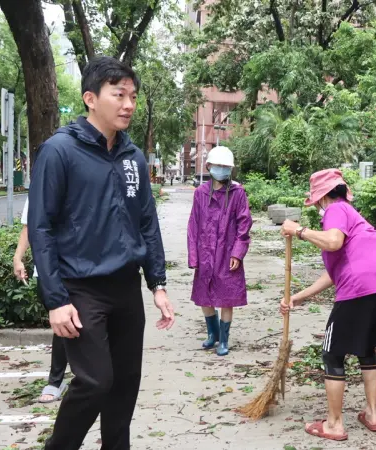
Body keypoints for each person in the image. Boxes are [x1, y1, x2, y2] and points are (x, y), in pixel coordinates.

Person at [28, 56, 176, 450]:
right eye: (119, 95)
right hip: (81, 288)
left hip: (126, 288)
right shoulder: (59, 151)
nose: (128, 104)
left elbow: (147, 222)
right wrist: (56, 300)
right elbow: (40, 227)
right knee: (95, 381)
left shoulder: (133, 158)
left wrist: (157, 283)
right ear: (91, 98)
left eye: (132, 96)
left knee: (125, 385)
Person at [279, 168, 376, 442]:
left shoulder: (336, 209)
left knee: (332, 354)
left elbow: (333, 243)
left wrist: (298, 230)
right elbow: (336, 274)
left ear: (322, 197)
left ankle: (334, 424)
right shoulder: (356, 218)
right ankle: (372, 414)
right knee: (366, 347)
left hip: (361, 287)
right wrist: (299, 297)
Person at [187, 146, 252, 356]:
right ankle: (212, 335)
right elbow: (193, 226)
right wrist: (194, 256)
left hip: (227, 252)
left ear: (231, 169)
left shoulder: (237, 193)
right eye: (218, 166)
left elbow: (244, 224)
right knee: (204, 296)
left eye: (226, 167)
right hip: (205, 252)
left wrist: (237, 253)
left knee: (226, 296)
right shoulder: (200, 193)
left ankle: (224, 339)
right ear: (209, 167)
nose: (222, 170)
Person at [13, 198, 68, 403]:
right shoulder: (41, 184)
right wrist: (18, 257)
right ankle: (56, 381)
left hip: (86, 269)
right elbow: (30, 225)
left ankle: (89, 377)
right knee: (63, 326)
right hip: (49, 271)